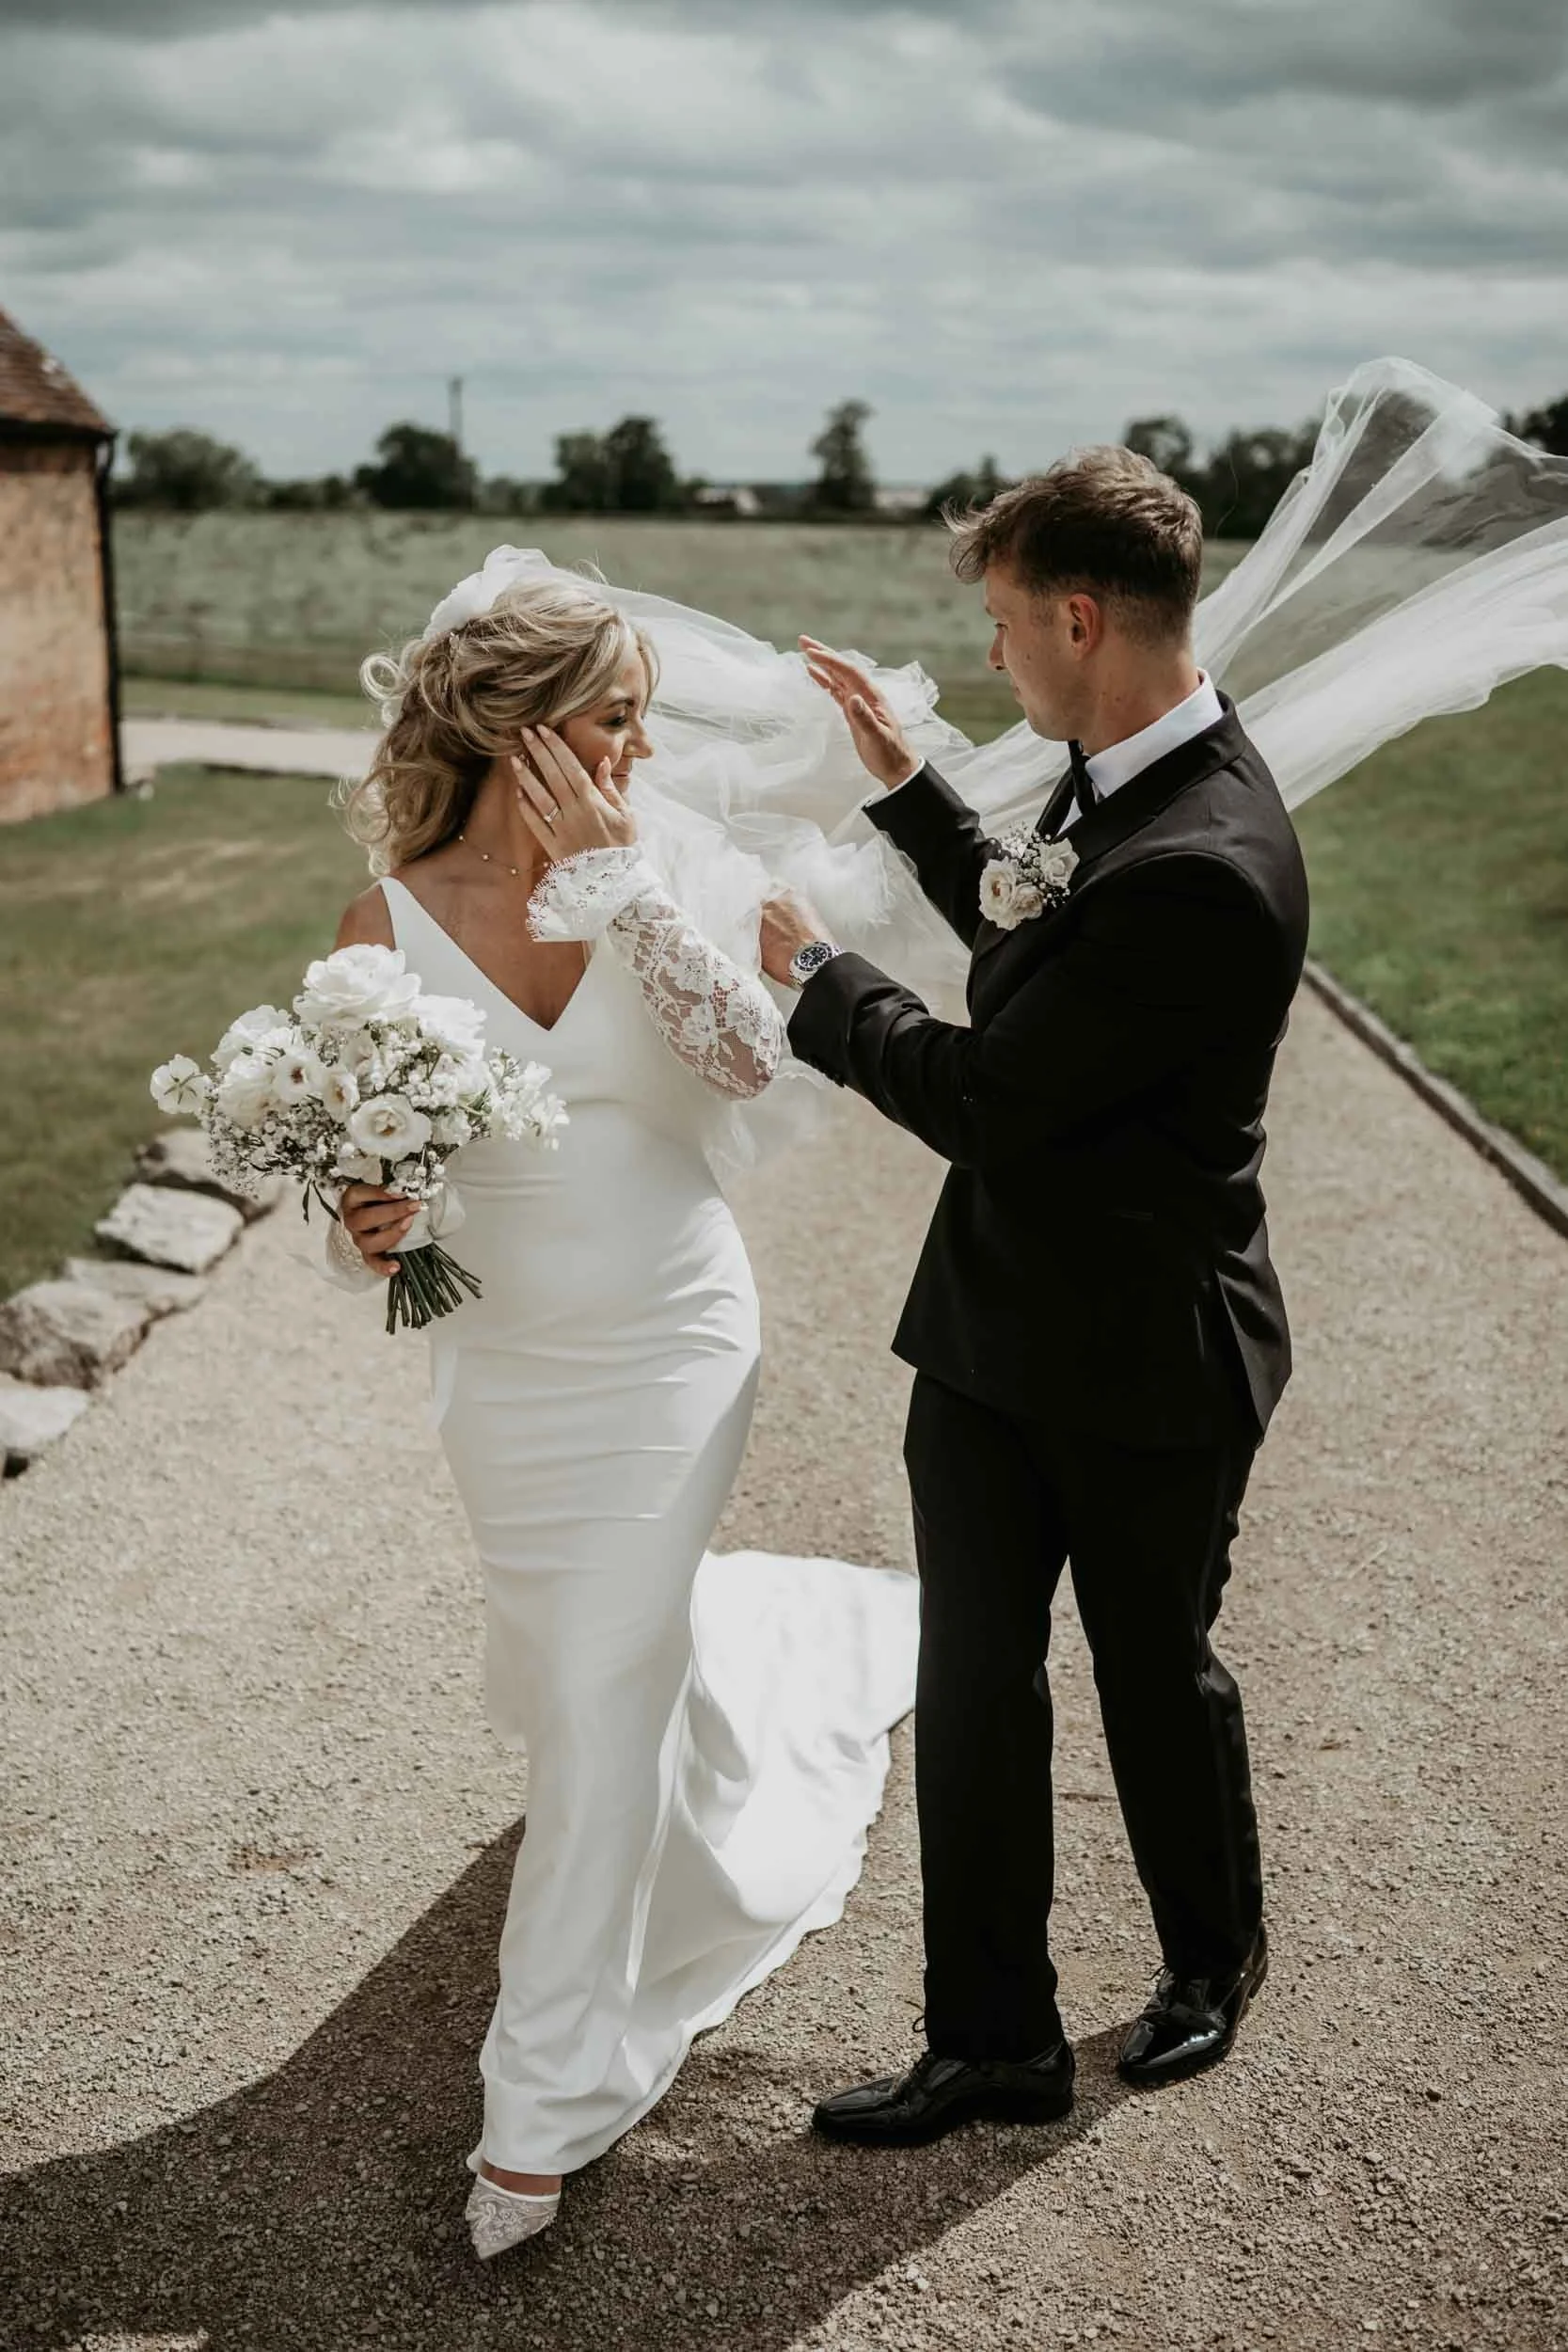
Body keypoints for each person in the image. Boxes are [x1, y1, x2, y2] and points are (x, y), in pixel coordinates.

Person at [324, 576, 918, 2256]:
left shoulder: (669, 863)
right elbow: (375, 1177)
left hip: (669, 1333)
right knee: (599, 1664)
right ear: (518, 728)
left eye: (643, 714)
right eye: (611, 716)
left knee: (595, 1681)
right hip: (505, 1361)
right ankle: (702, 1729)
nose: (640, 744)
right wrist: (366, 1217)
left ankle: (543, 2096)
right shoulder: (385, 919)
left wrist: (621, 883)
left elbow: (747, 1061)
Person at [758, 446, 1309, 2142]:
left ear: (1078, 617)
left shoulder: (1206, 856)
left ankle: (1213, 1957)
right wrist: (912, 786)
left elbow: (990, 1091)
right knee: (977, 1683)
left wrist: (818, 981)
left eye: (1003, 627)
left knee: (1157, 1675)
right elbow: (1027, 943)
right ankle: (989, 2035)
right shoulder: (1113, 774)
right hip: (995, 1332)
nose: (994, 659)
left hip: (1149, 1357)